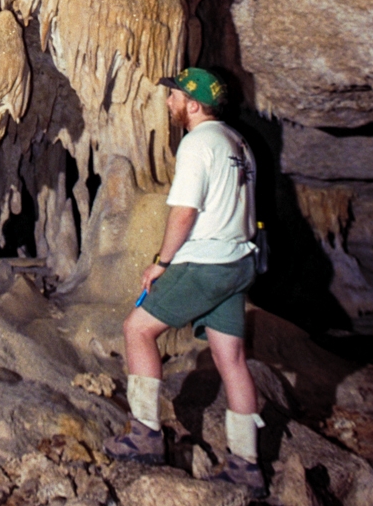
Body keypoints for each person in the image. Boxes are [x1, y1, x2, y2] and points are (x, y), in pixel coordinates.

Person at [104, 67, 266, 498]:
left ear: (193, 104)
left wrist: (161, 262)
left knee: (137, 329)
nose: (170, 101)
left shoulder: (198, 143)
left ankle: (144, 435)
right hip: (240, 260)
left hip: (207, 261)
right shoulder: (239, 143)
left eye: (174, 95)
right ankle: (246, 464)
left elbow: (184, 212)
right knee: (231, 358)